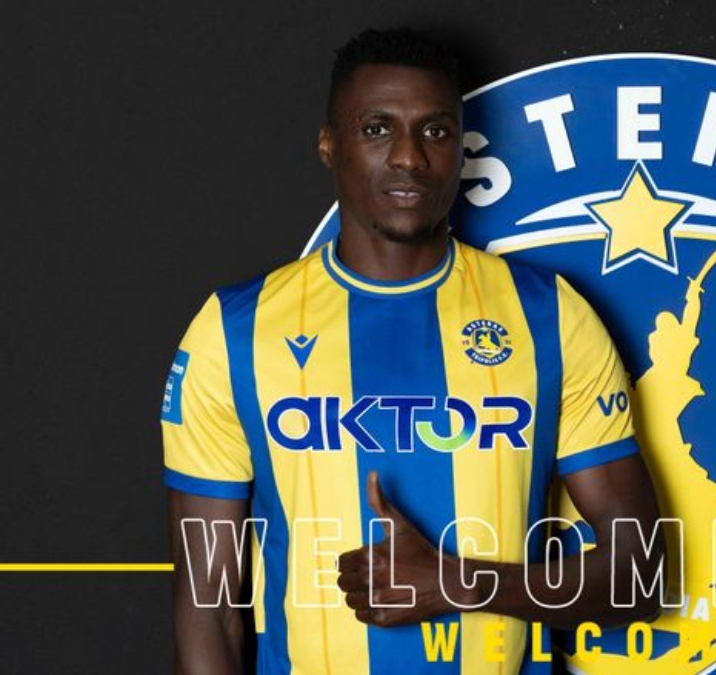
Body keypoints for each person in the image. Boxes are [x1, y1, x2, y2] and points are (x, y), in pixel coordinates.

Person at [162, 26, 663, 674]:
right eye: (377, 128)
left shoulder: (551, 316)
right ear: (328, 143)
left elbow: (640, 576)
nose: (409, 156)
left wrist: (456, 583)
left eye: (436, 131)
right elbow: (207, 606)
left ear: (462, 147)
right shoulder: (233, 333)